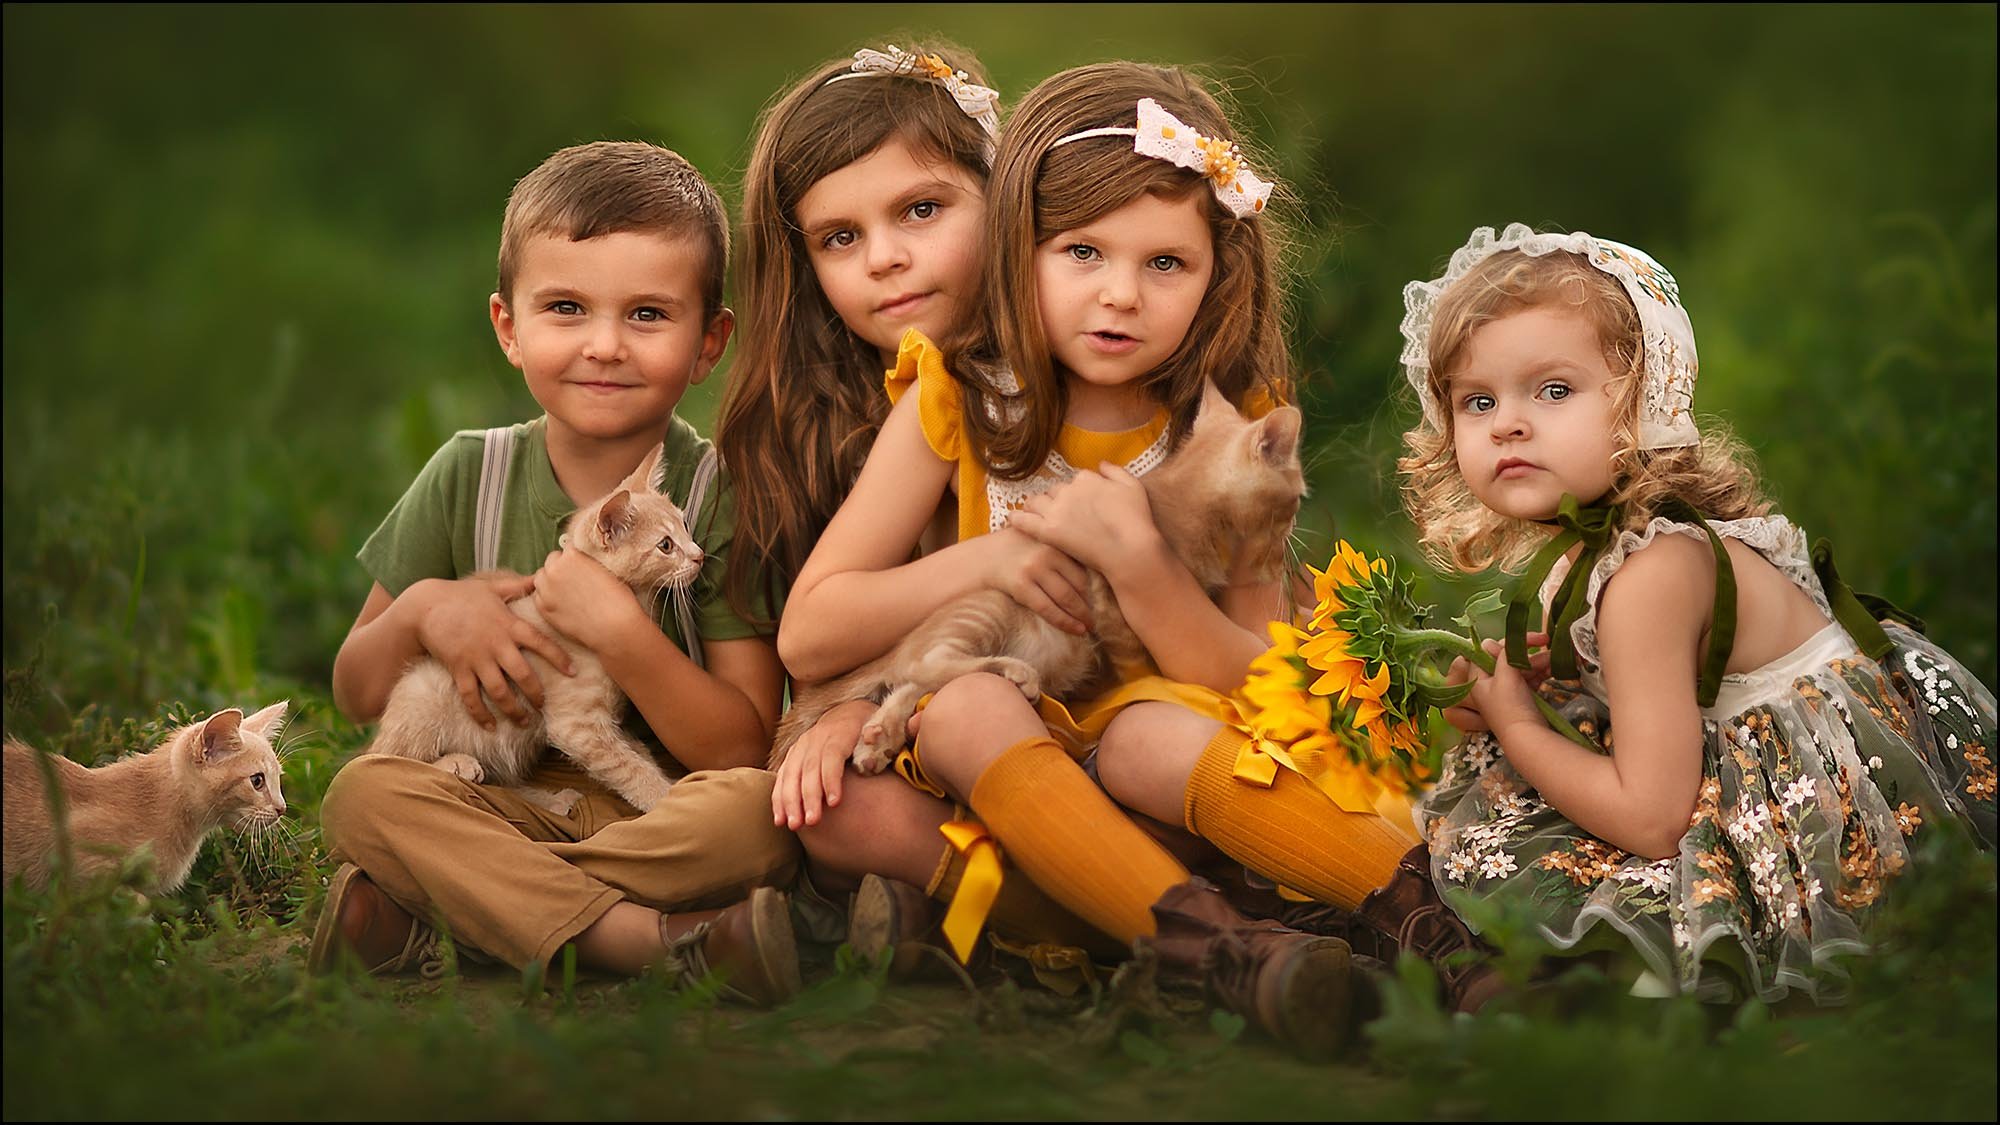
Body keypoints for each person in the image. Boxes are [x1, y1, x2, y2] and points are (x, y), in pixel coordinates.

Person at [777, 61, 1423, 1057]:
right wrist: (987, 562)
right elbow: (810, 629)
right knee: (867, 789)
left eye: (1164, 263)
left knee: (1139, 743)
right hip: (997, 752)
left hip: (1160, 771)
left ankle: (1440, 927)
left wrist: (1144, 573)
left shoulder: (1225, 434)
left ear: (1219, 274)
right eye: (1079, 252)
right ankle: (1224, 952)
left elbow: (1258, 673)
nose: (1120, 295)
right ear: (1015, 253)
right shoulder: (960, 398)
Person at [1399, 222, 1997, 1003]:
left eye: (1553, 390)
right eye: (1478, 401)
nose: (1507, 422)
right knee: (1518, 789)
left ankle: (1626, 985)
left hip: (1834, 802)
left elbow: (1653, 818)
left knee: (1575, 838)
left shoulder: (1651, 575)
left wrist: (1517, 721)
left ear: (1644, 401)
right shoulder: (1599, 550)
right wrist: (1520, 690)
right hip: (1704, 765)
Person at [311, 141, 804, 1006]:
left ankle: (462, 904)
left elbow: (740, 743)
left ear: (709, 342)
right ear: (509, 326)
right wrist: (427, 608)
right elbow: (356, 688)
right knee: (362, 794)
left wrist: (619, 630)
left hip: (653, 808)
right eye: (567, 307)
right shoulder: (469, 473)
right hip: (498, 797)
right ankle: (651, 939)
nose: (604, 345)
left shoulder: (721, 494)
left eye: (649, 314)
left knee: (757, 816)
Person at [717, 41, 1117, 980]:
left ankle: (1008, 917)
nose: (885, 258)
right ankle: (1113, 923)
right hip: (931, 732)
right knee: (827, 808)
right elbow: (818, 636)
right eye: (839, 238)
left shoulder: (1093, 364)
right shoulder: (830, 422)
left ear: (1006, 199)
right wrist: (830, 715)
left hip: (1105, 714)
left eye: (922, 210)